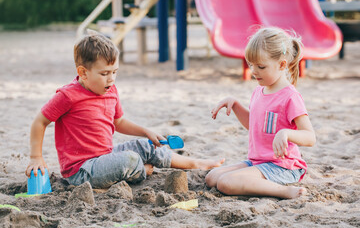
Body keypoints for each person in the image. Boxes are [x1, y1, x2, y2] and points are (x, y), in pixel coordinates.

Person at [25, 33, 225, 189]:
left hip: (106, 155)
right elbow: (39, 122)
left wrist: (145, 131)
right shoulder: (68, 96)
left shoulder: (110, 90)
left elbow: (118, 122)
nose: (111, 79)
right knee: (130, 160)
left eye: (114, 72)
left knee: (147, 146)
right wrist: (36, 156)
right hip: (82, 170)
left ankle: (195, 163)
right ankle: (141, 171)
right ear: (83, 73)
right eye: (104, 74)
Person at [206, 27, 316, 199]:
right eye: (251, 65)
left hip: (283, 166)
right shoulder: (259, 91)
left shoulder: (290, 97)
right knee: (212, 178)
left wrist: (286, 133)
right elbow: (255, 125)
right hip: (258, 161)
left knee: (226, 183)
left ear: (281, 65)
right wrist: (235, 104)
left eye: (261, 66)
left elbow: (310, 137)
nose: (253, 71)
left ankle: (285, 192)